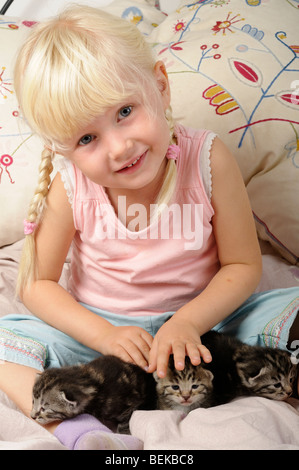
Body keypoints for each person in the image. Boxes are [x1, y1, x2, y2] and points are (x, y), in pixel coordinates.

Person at [0, 5, 298, 450]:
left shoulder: (208, 159)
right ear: (63, 148)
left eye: (124, 111)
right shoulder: (71, 185)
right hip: (102, 331)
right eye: (87, 138)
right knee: (5, 351)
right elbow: (39, 283)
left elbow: (241, 263)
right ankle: (76, 430)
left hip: (209, 321)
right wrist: (104, 335)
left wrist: (189, 322)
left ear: (159, 84)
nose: (119, 148)